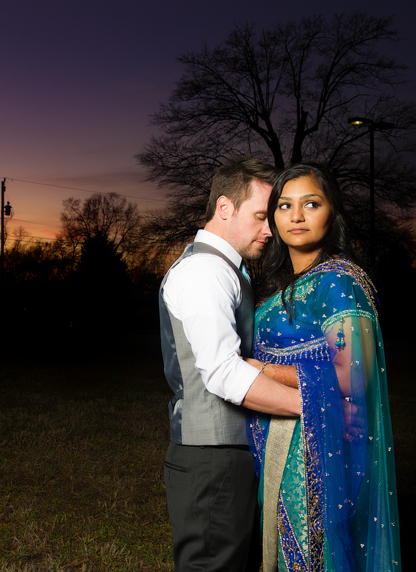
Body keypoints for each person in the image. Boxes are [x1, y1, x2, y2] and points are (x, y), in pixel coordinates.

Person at [245, 163, 401, 572]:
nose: (295, 216)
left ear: (332, 212)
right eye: (284, 205)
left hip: (315, 446)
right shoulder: (285, 284)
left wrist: (260, 369)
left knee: (317, 555)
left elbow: (353, 376)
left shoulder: (338, 282)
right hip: (278, 436)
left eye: (310, 203)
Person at [159, 156, 303, 572]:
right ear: (225, 208)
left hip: (222, 457)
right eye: (261, 216)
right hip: (211, 460)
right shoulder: (205, 271)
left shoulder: (222, 269)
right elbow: (223, 371)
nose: (269, 230)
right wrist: (311, 405)